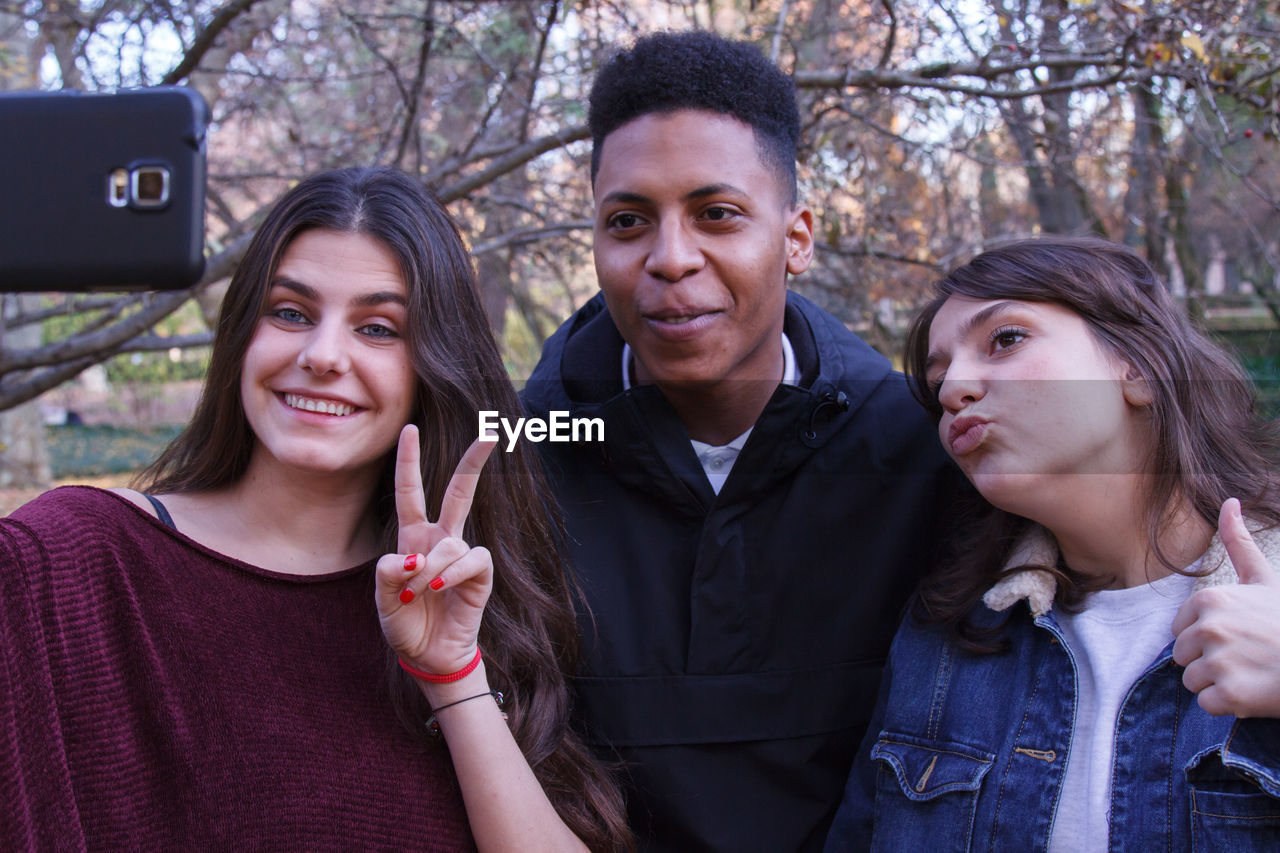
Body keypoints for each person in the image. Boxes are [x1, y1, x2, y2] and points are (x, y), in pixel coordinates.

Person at [0, 166, 630, 851]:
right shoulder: (66, 560)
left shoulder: (462, 603)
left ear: (435, 368)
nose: (323, 355)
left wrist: (453, 678)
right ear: (243, 333)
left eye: (379, 328)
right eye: (291, 312)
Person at [521, 31, 959, 850]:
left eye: (717, 214)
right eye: (628, 221)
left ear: (796, 237)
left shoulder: (925, 447)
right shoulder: (515, 459)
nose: (671, 258)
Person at [825, 237, 1280, 850]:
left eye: (1006, 339)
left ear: (1141, 368)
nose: (955, 387)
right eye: (937, 384)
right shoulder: (946, 635)